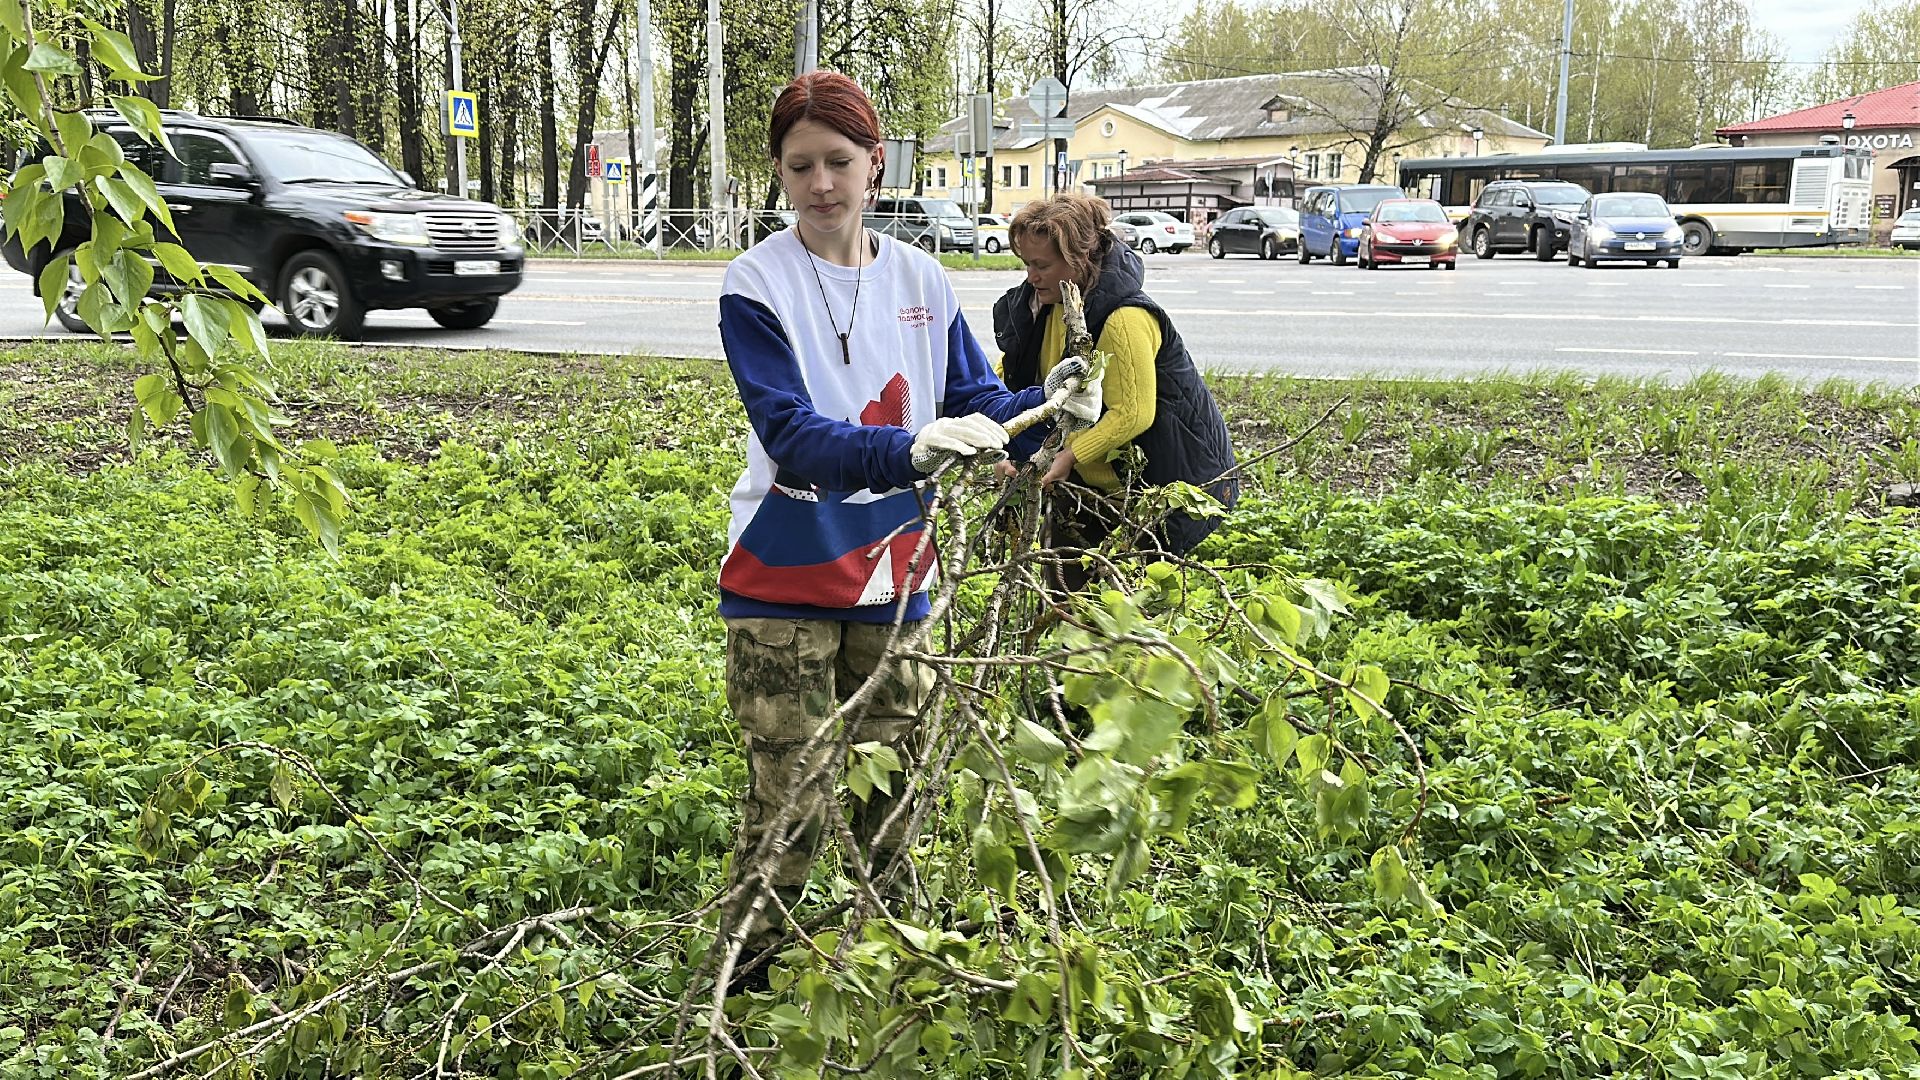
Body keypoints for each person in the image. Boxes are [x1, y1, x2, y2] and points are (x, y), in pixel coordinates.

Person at [713, 71, 1098, 980]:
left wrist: (1046, 403)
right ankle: (746, 973)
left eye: (838, 162)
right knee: (791, 792)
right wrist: (911, 452)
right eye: (799, 165)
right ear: (777, 171)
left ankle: (889, 951)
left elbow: (969, 396)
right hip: (782, 572)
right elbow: (792, 435)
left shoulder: (919, 276)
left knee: (893, 780)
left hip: (896, 575)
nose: (820, 185)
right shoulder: (755, 282)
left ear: (874, 165)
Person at [992, 193, 1237, 583]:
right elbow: (1012, 380)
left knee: (1124, 607)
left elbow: (1134, 412)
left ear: (1078, 260)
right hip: (1094, 482)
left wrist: (1070, 456)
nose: (1031, 277)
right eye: (1026, 265)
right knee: (1069, 593)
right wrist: (997, 435)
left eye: (1041, 265)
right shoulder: (1048, 307)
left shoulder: (1124, 318)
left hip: (1163, 484)